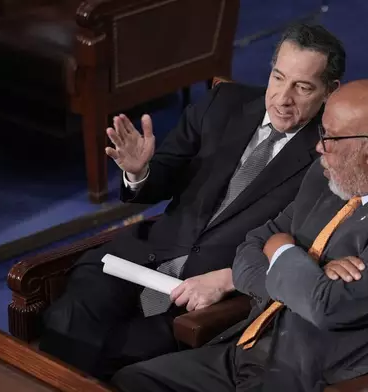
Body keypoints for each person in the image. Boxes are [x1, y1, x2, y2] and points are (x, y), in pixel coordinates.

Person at [112, 79, 368, 392]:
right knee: (133, 381)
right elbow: (251, 246)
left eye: (329, 137)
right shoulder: (331, 177)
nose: (318, 148)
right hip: (250, 353)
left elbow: (327, 308)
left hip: (312, 378)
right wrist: (307, 276)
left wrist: (283, 251)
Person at [38, 23, 346, 380]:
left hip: (207, 294)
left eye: (302, 87)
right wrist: (140, 171)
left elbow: (306, 248)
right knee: (66, 322)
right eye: (278, 78)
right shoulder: (224, 103)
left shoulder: (330, 157)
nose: (282, 97)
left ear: (329, 92)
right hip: (140, 259)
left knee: (119, 355)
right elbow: (164, 176)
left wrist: (230, 279)